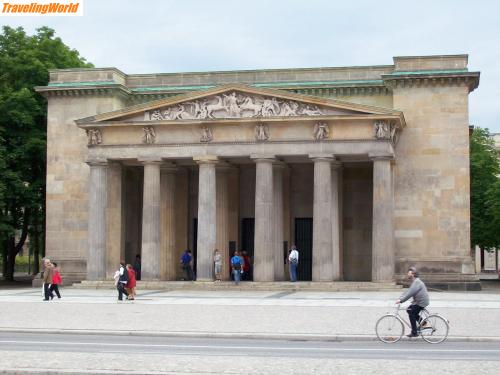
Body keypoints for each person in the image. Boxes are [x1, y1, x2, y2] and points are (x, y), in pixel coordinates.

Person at [396, 266, 430, 338]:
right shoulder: (415, 281)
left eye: (409, 273)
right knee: (409, 310)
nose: (407, 274)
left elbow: (410, 293)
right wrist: (400, 298)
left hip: (421, 302)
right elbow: (408, 291)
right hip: (419, 301)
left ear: (413, 274)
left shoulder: (416, 282)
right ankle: (423, 322)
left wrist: (401, 301)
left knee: (411, 312)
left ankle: (414, 332)